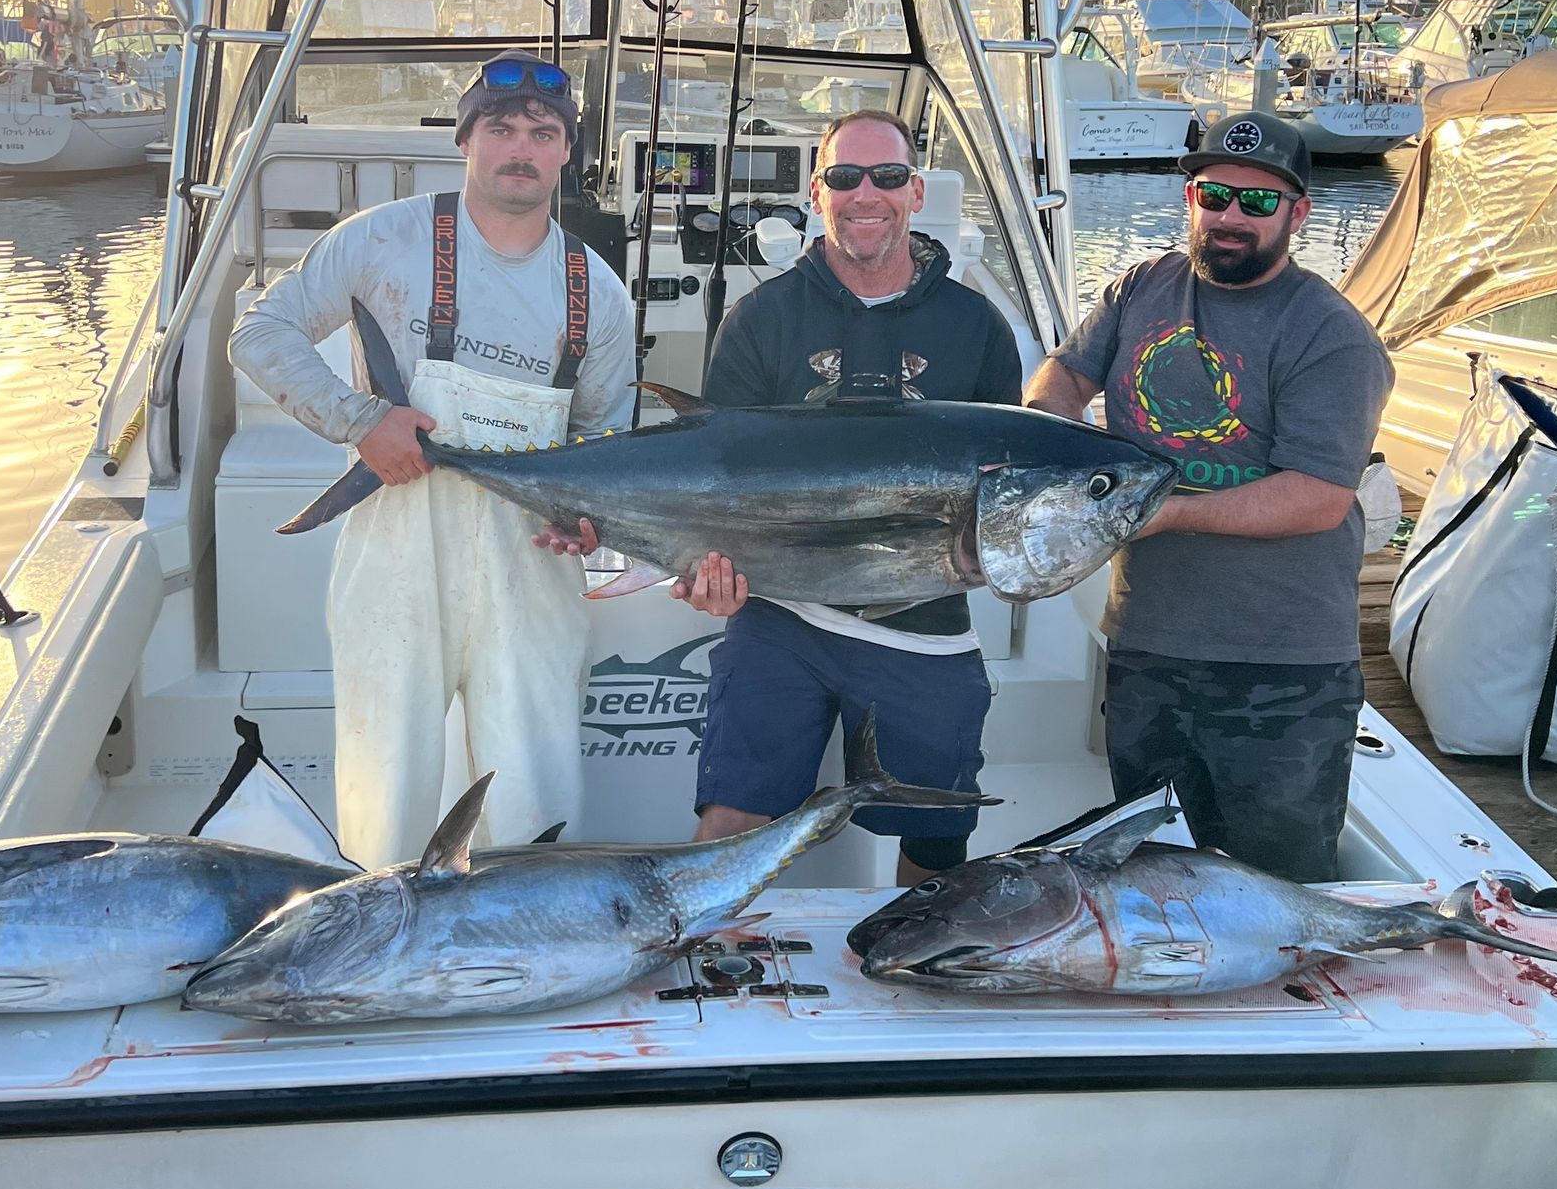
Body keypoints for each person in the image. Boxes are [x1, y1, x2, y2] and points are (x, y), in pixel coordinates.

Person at [228, 52, 635, 868]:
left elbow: (604, 446)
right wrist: (362, 422)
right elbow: (259, 334)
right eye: (501, 128)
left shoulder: (599, 291)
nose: (520, 147)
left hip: (532, 564)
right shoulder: (382, 241)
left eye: (543, 133)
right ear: (465, 140)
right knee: (389, 778)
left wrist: (592, 525)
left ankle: (523, 952)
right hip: (395, 551)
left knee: (533, 782)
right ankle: (378, 945)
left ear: (566, 154)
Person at [1024, 108, 1393, 882]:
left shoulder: (1331, 334)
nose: (1231, 217)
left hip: (1282, 670)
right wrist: (1049, 436)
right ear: (1189, 196)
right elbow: (1064, 371)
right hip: (1147, 648)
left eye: (1258, 203)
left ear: (1298, 214)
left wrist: (1163, 512)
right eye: (1215, 195)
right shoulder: (1139, 288)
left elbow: (1319, 497)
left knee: (1279, 884)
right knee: (1154, 875)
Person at [672, 108, 1023, 882]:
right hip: (783, 614)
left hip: (926, 623)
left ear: (915, 191)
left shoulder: (979, 330)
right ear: (815, 191)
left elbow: (1007, 491)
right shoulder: (760, 320)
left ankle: (918, 974)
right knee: (732, 819)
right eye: (846, 177)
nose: (868, 194)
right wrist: (704, 571)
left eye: (888, 177)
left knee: (934, 845)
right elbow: (711, 475)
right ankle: (713, 974)